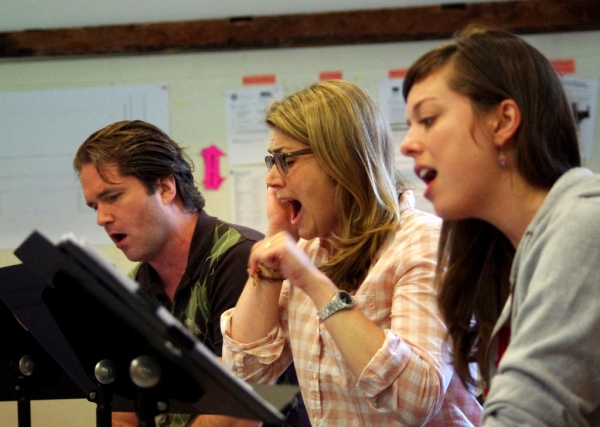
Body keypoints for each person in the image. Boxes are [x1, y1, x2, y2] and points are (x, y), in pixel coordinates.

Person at [220, 80, 482, 426]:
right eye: (271, 160)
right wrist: (276, 238)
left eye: (285, 160)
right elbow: (247, 376)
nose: (271, 178)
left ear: (340, 162)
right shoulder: (309, 250)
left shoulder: (424, 242)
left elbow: (414, 399)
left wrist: (316, 285)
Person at [400, 25, 600, 426]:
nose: (407, 143)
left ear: (503, 121)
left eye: (428, 119)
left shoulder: (582, 224)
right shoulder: (520, 248)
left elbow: (529, 415)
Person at [73, 120, 284, 427]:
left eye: (113, 197)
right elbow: (124, 413)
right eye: (95, 206)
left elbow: (238, 415)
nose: (102, 218)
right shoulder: (136, 284)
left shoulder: (240, 259)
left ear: (165, 187)